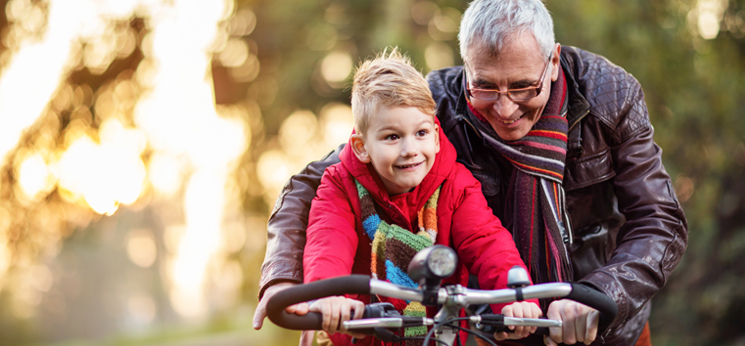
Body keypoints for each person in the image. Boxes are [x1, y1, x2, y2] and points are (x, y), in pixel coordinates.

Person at [253, 1, 688, 345]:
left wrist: (597, 296)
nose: (504, 107)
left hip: (601, 326)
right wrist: (285, 282)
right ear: (466, 69)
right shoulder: (432, 110)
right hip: (484, 324)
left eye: (523, 87)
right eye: (485, 86)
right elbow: (317, 183)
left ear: (553, 63)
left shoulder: (609, 97)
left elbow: (659, 219)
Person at [301, 50, 541, 346]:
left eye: (421, 132)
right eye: (392, 136)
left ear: (437, 137)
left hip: (438, 335)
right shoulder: (340, 186)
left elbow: (488, 242)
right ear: (361, 147)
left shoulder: (456, 185)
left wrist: (515, 297)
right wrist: (327, 295)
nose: (410, 149)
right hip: (362, 335)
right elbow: (327, 242)